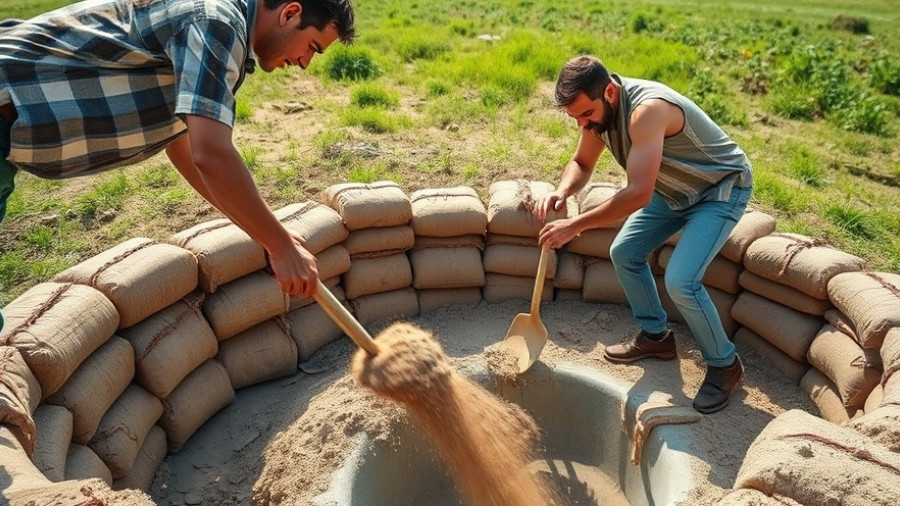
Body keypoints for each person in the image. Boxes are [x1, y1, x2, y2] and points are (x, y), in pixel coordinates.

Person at [0, 0, 355, 331]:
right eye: (312, 47)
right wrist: (281, 247)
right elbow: (211, 154)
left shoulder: (218, 22)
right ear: (290, 13)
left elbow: (184, 147)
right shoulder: (215, 20)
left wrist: (265, 233)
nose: (306, 62)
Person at [536, 55, 753, 414]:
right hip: (673, 192)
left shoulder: (647, 111)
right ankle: (657, 338)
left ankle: (725, 365)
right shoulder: (596, 113)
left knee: (682, 280)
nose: (581, 124)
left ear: (608, 91)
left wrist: (575, 225)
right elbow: (582, 163)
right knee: (625, 252)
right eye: (573, 117)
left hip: (719, 189)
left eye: (585, 115)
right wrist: (563, 191)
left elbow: (638, 193)